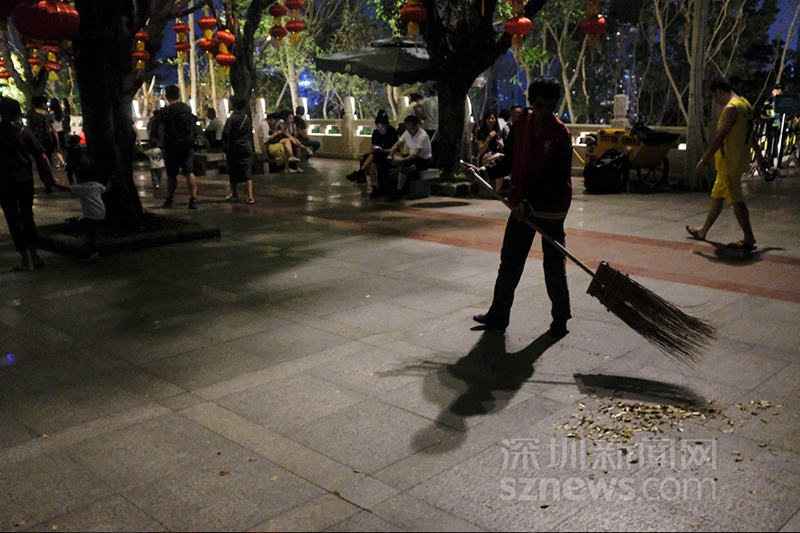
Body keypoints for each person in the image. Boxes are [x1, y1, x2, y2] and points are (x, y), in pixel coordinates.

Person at [469, 76, 573, 338]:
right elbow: (509, 159)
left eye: (550, 106)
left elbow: (556, 179)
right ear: (531, 102)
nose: (544, 112)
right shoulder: (521, 124)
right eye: (539, 106)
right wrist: (484, 170)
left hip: (550, 207)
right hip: (521, 203)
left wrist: (530, 204)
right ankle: (498, 314)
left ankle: (560, 318)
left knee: (553, 265)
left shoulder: (560, 134)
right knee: (510, 261)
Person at [686, 77, 766, 250]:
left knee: (736, 200)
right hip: (737, 159)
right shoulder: (745, 105)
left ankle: (749, 238)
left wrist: (704, 159)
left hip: (729, 161)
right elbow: (751, 134)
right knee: (717, 197)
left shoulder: (731, 108)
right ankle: (703, 231)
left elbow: (720, 136)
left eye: (714, 97)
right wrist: (759, 156)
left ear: (719, 92)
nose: (715, 101)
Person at [0, 96, 53, 271]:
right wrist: (48, 178)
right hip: (24, 180)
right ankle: (34, 254)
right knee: (27, 216)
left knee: (13, 218)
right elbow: (42, 156)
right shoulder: (23, 132)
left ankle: (25, 259)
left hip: (4, 182)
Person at [53, 157, 114, 263]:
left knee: (90, 233)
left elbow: (66, 189)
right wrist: (110, 181)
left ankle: (94, 253)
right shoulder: (97, 185)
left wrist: (54, 185)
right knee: (93, 229)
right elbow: (106, 189)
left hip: (91, 214)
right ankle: (96, 241)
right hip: (101, 212)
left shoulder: (82, 188)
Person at [156, 85, 199, 209]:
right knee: (189, 172)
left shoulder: (165, 111)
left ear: (166, 96)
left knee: (171, 174)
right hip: (187, 145)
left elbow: (161, 129)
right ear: (179, 95)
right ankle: (193, 199)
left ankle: (170, 198)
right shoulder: (186, 109)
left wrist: (162, 146)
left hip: (172, 146)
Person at [345, 111, 399, 199]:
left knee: (374, 157)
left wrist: (383, 150)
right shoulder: (376, 133)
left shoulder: (392, 132)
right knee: (372, 162)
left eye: (382, 127)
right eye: (378, 126)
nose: (380, 129)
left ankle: (360, 172)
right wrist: (375, 148)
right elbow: (373, 146)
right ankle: (374, 187)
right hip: (378, 154)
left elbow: (394, 148)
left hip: (389, 154)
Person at [386, 114, 432, 201]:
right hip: (411, 156)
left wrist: (402, 160)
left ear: (416, 126)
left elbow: (416, 153)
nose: (409, 130)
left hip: (423, 159)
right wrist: (390, 156)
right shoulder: (407, 133)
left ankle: (399, 191)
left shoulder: (422, 136)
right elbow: (396, 145)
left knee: (405, 166)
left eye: (411, 127)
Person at [222, 95, 255, 204]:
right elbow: (249, 133)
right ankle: (250, 196)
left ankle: (235, 194)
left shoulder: (231, 119)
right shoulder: (247, 118)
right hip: (246, 147)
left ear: (234, 105)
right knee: (247, 171)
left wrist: (226, 145)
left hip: (234, 148)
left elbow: (226, 133)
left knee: (233, 171)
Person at [25, 95, 61, 169]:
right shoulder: (49, 114)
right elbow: (54, 129)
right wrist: (57, 141)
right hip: (48, 138)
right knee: (48, 157)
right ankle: (48, 171)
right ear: (42, 103)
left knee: (39, 158)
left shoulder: (31, 113)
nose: (47, 105)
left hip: (36, 139)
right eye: (46, 103)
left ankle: (44, 171)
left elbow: (29, 127)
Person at [417, 85, 439, 164]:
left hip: (427, 127)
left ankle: (429, 163)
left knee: (429, 148)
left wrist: (420, 116)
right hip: (437, 127)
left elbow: (416, 107)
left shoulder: (425, 101)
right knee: (437, 147)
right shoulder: (440, 101)